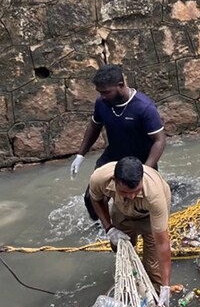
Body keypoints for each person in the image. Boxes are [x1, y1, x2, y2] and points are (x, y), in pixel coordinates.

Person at [70, 65, 166, 220]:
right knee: (91, 197)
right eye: (100, 92)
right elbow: (95, 126)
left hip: (139, 162)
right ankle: (103, 228)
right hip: (112, 156)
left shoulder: (144, 107)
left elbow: (159, 140)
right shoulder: (102, 103)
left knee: (137, 203)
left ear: (121, 85)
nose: (102, 96)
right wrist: (81, 154)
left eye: (106, 92)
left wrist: (146, 171)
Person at [89, 156, 179, 292]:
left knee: (153, 265)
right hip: (121, 209)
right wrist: (109, 228)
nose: (131, 196)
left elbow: (162, 244)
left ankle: (156, 294)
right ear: (114, 179)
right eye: (125, 192)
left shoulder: (155, 196)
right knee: (120, 249)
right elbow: (96, 199)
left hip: (148, 215)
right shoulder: (99, 178)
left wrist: (166, 287)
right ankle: (133, 282)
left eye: (135, 191)